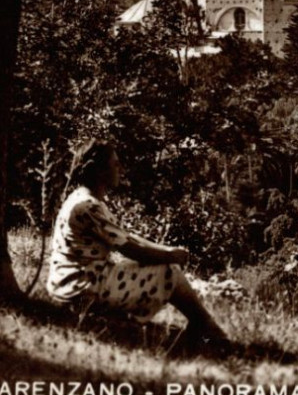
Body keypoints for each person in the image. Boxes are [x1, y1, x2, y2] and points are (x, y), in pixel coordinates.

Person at [47, 141, 228, 349]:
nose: (120, 169)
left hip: (76, 280)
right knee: (170, 272)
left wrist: (166, 249)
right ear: (99, 172)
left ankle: (200, 326)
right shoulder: (89, 206)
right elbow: (130, 249)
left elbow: (126, 237)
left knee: (162, 266)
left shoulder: (82, 199)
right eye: (115, 164)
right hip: (80, 288)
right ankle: (207, 326)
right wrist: (170, 257)